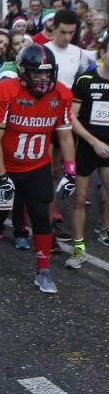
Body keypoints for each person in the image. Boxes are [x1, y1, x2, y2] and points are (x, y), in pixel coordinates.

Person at [0, 44, 75, 294]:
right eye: (36, 73)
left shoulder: (61, 95)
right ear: (23, 72)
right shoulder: (5, 91)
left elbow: (65, 137)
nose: (43, 79)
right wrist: (1, 176)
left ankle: (44, 271)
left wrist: (70, 171)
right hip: (6, 165)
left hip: (37, 166)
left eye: (47, 73)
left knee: (42, 218)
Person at [67, 35, 109, 265]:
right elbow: (71, 117)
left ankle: (105, 229)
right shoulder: (85, 80)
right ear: (102, 53)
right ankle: (78, 247)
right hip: (86, 145)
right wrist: (93, 141)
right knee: (80, 198)